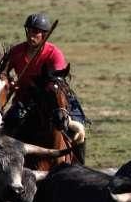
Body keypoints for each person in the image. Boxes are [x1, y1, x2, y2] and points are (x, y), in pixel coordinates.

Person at [5, 13, 87, 156]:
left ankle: (79, 165)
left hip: (52, 98)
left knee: (78, 130)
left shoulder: (54, 53)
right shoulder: (16, 51)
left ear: (44, 34)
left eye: (36, 32)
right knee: (6, 127)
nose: (32, 35)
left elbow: (57, 79)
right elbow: (3, 73)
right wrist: (10, 82)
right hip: (24, 99)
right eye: (30, 31)